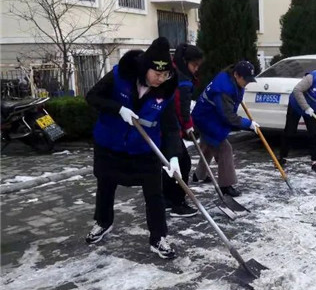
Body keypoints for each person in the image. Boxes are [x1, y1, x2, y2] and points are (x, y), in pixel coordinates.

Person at [85, 37, 181, 259]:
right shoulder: (121, 75)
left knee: (154, 193)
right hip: (110, 143)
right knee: (105, 185)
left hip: (144, 149)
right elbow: (92, 97)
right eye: (157, 74)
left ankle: (158, 237)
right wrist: (118, 109)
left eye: (166, 74)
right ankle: (103, 222)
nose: (161, 79)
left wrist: (173, 156)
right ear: (146, 67)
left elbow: (170, 127)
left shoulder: (166, 90)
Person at [191, 60, 260, 197]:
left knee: (209, 144)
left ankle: (199, 175)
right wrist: (248, 124)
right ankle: (226, 185)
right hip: (206, 118)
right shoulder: (223, 89)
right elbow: (228, 116)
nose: (247, 83)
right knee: (224, 148)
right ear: (236, 75)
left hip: (208, 115)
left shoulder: (229, 78)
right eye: (245, 80)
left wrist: (237, 96)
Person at [161, 43, 203, 218]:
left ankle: (166, 200)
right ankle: (178, 203)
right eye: (194, 65)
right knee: (182, 163)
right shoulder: (183, 80)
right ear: (185, 61)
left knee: (168, 164)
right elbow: (182, 108)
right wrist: (188, 125)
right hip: (170, 128)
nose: (196, 69)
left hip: (163, 126)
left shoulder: (172, 71)